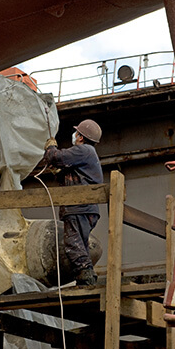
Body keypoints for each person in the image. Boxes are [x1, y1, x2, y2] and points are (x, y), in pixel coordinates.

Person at [44, 119, 103, 286]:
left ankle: (86, 276)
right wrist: (59, 172)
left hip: (79, 206)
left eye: (77, 133)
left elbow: (55, 157)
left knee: (72, 242)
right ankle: (85, 277)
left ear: (81, 137)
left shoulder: (84, 150)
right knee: (80, 244)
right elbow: (74, 176)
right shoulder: (87, 154)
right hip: (85, 207)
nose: (75, 135)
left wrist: (50, 148)